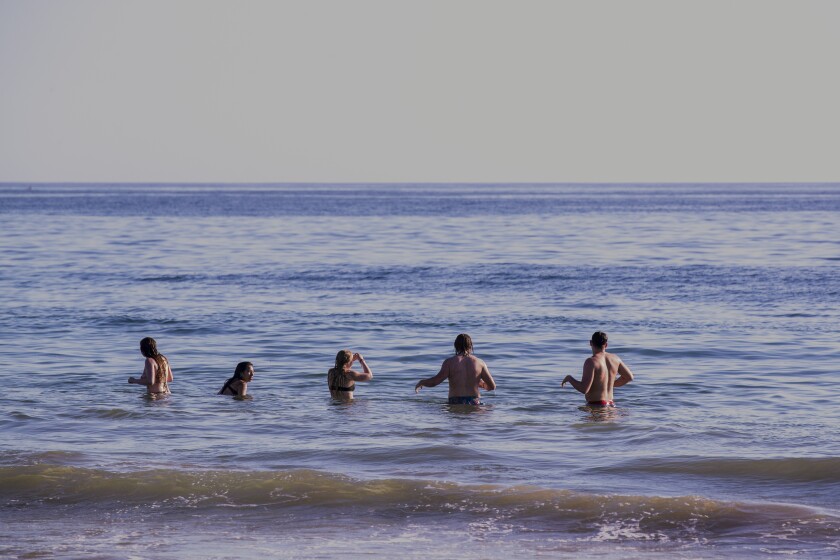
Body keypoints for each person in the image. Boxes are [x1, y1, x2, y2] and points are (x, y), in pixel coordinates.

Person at [414, 333, 496, 405]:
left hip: (455, 402)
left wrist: (422, 382)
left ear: (455, 346)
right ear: (470, 346)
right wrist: (482, 384)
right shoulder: (480, 363)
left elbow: (435, 381)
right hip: (475, 402)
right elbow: (492, 386)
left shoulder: (449, 362)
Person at [562, 331, 634, 407]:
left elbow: (584, 389)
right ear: (606, 345)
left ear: (591, 343)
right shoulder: (615, 359)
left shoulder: (591, 361)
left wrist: (569, 378)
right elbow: (629, 377)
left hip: (596, 406)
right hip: (611, 405)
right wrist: (610, 383)